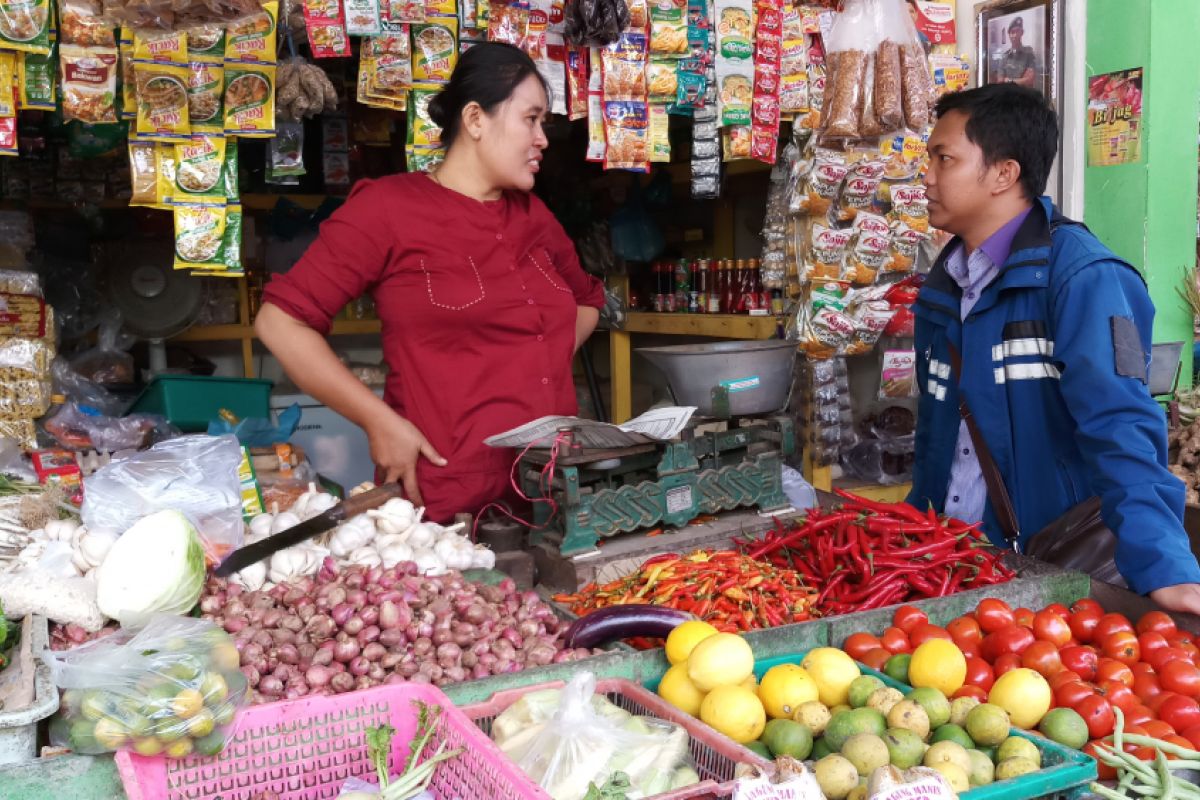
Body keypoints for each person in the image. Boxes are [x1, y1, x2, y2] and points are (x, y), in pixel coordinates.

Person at [255, 42, 605, 522]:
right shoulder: (387, 209)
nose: (543, 138)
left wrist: (534, 356)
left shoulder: (534, 216)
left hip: (552, 488)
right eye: (531, 119)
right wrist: (378, 420)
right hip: (444, 497)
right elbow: (281, 323)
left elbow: (587, 300)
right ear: (476, 119)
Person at [909, 84, 1200, 614]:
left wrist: (1165, 567)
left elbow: (1122, 426)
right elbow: (936, 433)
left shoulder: (1082, 278)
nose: (926, 175)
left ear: (1004, 173)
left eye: (942, 158)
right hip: (947, 566)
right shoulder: (944, 284)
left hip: (1045, 576)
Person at [995, 16, 1037, 88]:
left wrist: (1008, 80)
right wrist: (1021, 80)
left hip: (1024, 96)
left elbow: (1029, 80)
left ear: (1022, 33)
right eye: (1012, 32)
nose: (1015, 35)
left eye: (1017, 31)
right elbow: (1000, 81)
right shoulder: (1004, 56)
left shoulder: (1029, 53)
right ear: (1009, 35)